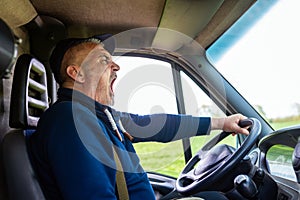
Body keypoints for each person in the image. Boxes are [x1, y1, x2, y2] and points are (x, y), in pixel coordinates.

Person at [27, 34, 250, 200]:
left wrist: (222, 123)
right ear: (77, 73)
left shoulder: (99, 116)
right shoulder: (70, 121)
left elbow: (156, 125)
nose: (116, 66)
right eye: (104, 60)